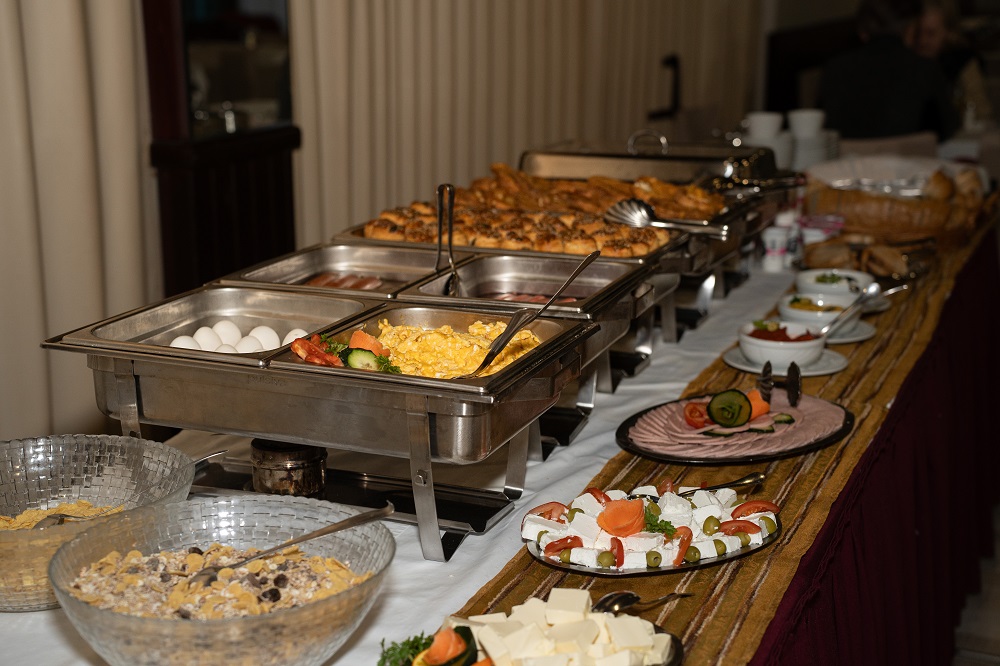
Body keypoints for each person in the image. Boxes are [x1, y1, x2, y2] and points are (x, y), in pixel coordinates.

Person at [819, 0, 960, 141]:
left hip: (846, 155)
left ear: (862, 33)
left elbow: (822, 126)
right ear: (910, 30)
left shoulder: (834, 69)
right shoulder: (924, 70)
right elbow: (949, 130)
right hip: (907, 155)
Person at [913, 0, 994, 127]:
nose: (922, 41)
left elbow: (982, 114)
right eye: (918, 33)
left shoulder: (962, 63)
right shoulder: (911, 63)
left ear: (948, 33)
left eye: (931, 34)